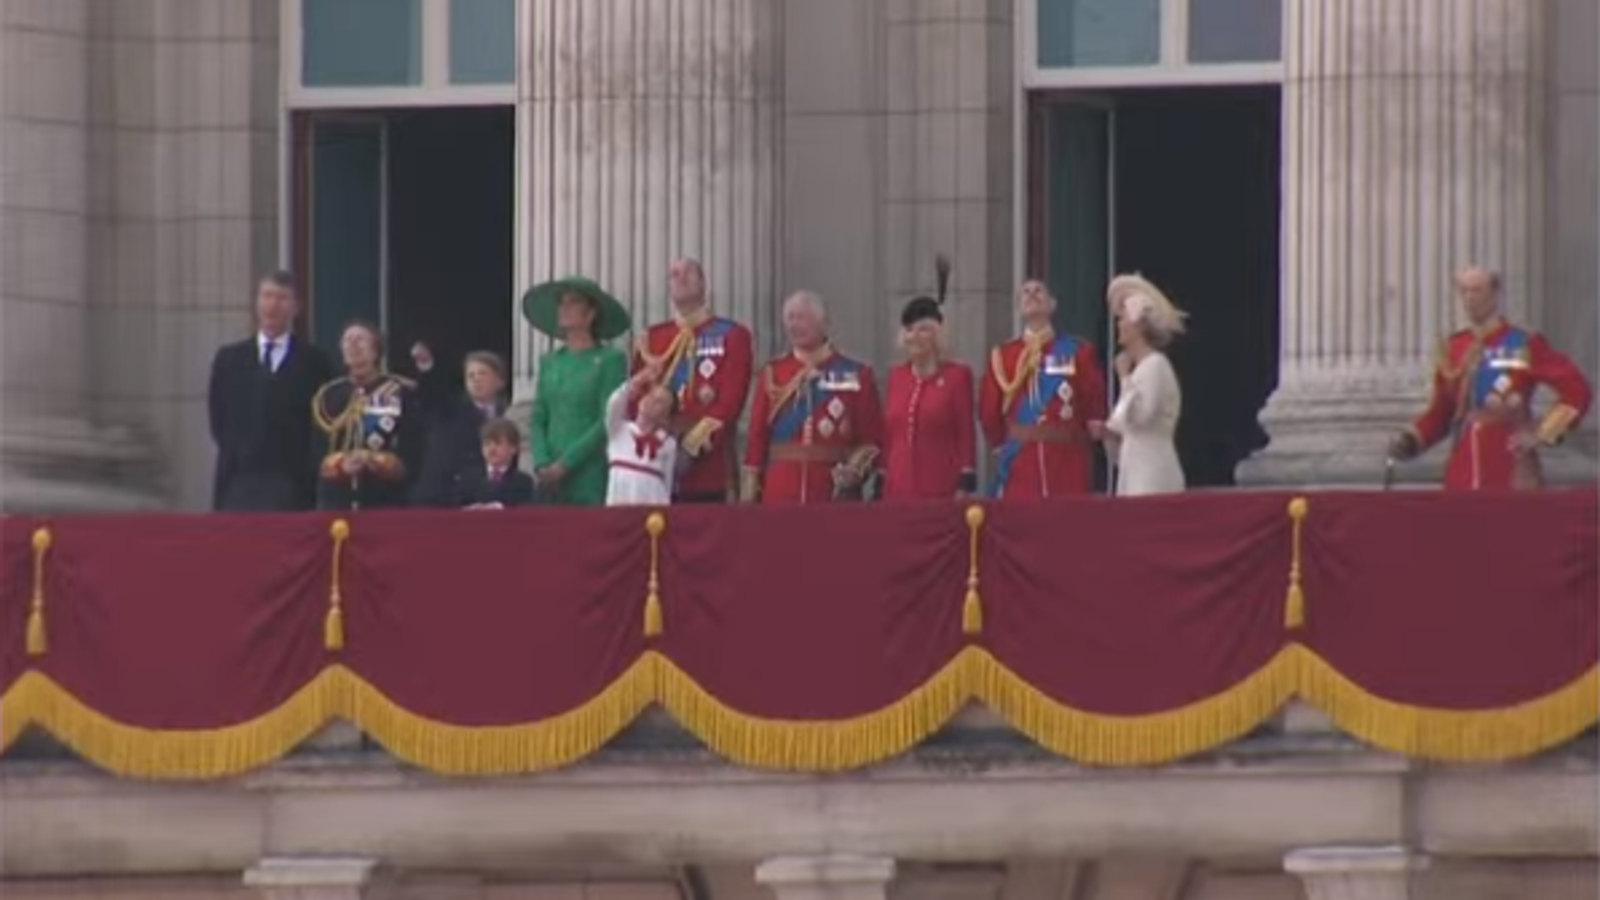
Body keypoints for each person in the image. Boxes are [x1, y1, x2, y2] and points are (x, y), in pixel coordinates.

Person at [1388, 266, 1592, 490]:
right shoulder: (1455, 347)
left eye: (1476, 290)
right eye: (1464, 291)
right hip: (1463, 466)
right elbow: (1442, 412)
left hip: (1509, 464)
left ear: (1495, 293)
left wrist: (1543, 432)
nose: (1469, 298)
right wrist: (1411, 440)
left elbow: (1577, 391)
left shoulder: (1522, 342)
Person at [207, 271, 333, 511]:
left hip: (293, 482)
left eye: (282, 298)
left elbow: (321, 422)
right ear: (256, 303)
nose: (273, 305)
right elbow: (218, 418)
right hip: (238, 480)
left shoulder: (315, 362)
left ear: (296, 308)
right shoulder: (229, 359)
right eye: (267, 296)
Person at [743, 291, 884, 504]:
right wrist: (749, 494)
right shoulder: (773, 373)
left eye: (802, 317)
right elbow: (757, 437)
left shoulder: (856, 374)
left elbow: (871, 437)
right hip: (780, 492)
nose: (795, 325)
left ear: (824, 323)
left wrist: (854, 470)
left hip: (832, 493)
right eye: (790, 318)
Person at [633, 258, 755, 503]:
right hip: (654, 461)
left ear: (704, 284)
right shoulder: (652, 339)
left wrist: (691, 446)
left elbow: (729, 404)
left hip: (707, 465)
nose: (682, 277)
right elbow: (635, 400)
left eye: (690, 272)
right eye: (674, 274)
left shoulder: (732, 335)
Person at [979, 279, 1108, 500]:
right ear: (1019, 308)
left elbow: (1093, 400)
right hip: (1020, 462)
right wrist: (1004, 445)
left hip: (1066, 460)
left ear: (1052, 304)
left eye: (1039, 291)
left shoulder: (1077, 350)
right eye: (1026, 292)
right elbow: (989, 408)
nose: (1032, 294)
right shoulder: (1003, 355)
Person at [524, 276, 631, 506]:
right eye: (561, 303)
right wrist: (542, 462)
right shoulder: (550, 362)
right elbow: (538, 417)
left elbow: (608, 418)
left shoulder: (610, 360)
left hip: (589, 473)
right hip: (549, 476)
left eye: (573, 302)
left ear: (591, 313)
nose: (564, 308)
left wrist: (566, 464)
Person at [1088, 274, 1186, 496]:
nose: (1119, 325)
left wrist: (1123, 377)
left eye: (1123, 319)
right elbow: (1124, 426)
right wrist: (1107, 432)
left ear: (1138, 327)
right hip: (1133, 469)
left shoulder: (1156, 366)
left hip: (1153, 468)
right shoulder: (1141, 370)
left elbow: (1142, 416)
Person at [310, 321, 425, 511]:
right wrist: (341, 464)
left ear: (376, 350)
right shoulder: (328, 395)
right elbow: (317, 450)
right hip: (337, 501)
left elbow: (413, 447)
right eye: (348, 340)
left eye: (360, 340)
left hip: (386, 500)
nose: (353, 345)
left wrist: (375, 461)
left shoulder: (399, 391)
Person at [881, 295, 977, 500]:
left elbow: (965, 432)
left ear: (937, 335)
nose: (914, 336)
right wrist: (882, 474)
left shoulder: (957, 376)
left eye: (922, 329)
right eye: (909, 330)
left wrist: (965, 479)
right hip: (897, 489)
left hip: (941, 488)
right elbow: (889, 434)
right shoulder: (896, 377)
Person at [408, 346, 512, 506]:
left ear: (500, 381)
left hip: (492, 499)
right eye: (470, 375)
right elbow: (431, 393)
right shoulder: (451, 409)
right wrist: (426, 366)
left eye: (482, 373)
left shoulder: (510, 414)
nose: (476, 379)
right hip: (447, 498)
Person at [605, 369, 681, 507]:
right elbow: (614, 403)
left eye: (660, 402)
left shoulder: (668, 444)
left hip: (652, 509)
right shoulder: (619, 430)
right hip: (619, 505)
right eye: (649, 395)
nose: (650, 401)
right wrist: (634, 383)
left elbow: (667, 484)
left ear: (665, 417)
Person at [452, 418, 537, 509]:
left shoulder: (523, 482)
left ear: (513, 448)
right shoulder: (468, 477)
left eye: (498, 443)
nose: (491, 449)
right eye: (487, 444)